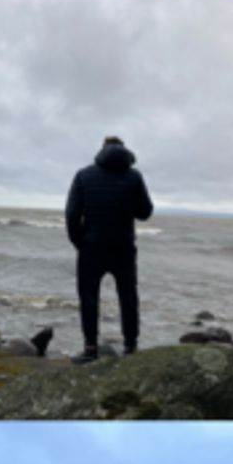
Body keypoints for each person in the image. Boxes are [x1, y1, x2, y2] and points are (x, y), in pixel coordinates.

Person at [64, 133, 154, 363]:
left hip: (91, 247)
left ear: (102, 150)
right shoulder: (134, 177)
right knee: (128, 297)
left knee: (88, 297)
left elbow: (72, 214)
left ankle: (90, 348)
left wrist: (79, 242)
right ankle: (131, 347)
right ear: (125, 151)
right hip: (123, 247)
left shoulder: (84, 175)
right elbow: (145, 212)